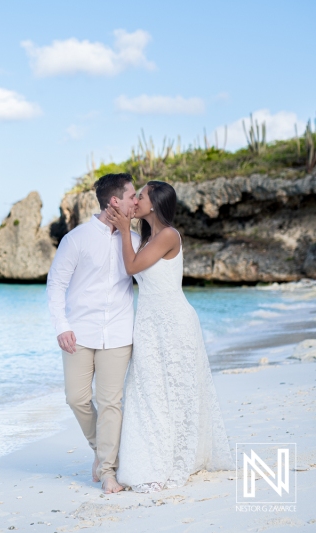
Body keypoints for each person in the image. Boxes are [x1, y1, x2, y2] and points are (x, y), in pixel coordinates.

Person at [104, 180, 233, 493]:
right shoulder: (149, 238)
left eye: (141, 197)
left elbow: (132, 266)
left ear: (155, 203)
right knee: (148, 391)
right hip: (149, 324)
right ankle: (148, 456)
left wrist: (123, 230)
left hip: (174, 323)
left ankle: (172, 458)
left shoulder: (169, 235)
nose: (135, 202)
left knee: (172, 392)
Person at [46, 173, 140, 494]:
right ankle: (102, 453)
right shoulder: (76, 239)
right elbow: (56, 285)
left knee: (111, 401)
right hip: (79, 333)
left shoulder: (135, 239)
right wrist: (62, 326)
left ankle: (109, 471)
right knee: (76, 398)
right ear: (115, 201)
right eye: (131, 196)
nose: (136, 201)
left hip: (119, 333)